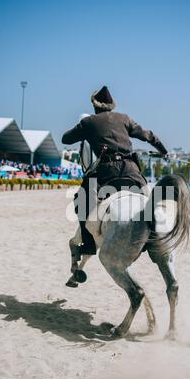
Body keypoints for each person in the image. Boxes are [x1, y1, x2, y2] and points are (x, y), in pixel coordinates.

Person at [62, 85, 168, 255]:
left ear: (95, 106)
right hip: (131, 170)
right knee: (149, 201)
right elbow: (149, 135)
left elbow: (65, 139)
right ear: (112, 106)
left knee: (81, 200)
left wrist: (83, 129)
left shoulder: (88, 122)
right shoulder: (124, 118)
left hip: (105, 172)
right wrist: (163, 151)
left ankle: (88, 244)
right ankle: (156, 239)